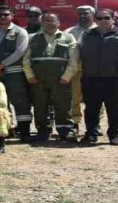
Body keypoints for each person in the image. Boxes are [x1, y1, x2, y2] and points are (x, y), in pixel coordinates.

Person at [78, 10, 118, 146]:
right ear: (95, 20)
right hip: (91, 77)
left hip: (114, 77)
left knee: (114, 108)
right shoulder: (87, 34)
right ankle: (91, 134)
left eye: (106, 17)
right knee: (91, 107)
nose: (103, 20)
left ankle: (114, 134)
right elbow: (80, 52)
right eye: (99, 18)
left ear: (113, 18)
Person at [23, 11, 80, 142]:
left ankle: (65, 131)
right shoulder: (31, 38)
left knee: (63, 105)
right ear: (41, 22)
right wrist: (30, 76)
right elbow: (26, 59)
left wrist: (67, 76)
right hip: (38, 79)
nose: (49, 23)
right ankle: (43, 131)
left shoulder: (68, 37)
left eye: (52, 20)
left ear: (58, 22)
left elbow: (74, 59)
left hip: (61, 79)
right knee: (40, 105)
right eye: (46, 20)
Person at [0, 6, 32, 140]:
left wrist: (2, 65)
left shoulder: (20, 32)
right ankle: (6, 129)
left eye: (5, 14)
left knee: (20, 101)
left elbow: (20, 51)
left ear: (12, 15)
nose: (2, 17)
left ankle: (24, 131)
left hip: (14, 71)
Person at [65, 5, 97, 127]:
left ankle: (95, 124)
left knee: (95, 99)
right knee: (74, 99)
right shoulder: (69, 32)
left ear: (93, 15)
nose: (82, 16)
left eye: (86, 13)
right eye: (80, 14)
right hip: (76, 71)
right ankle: (75, 122)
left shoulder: (99, 30)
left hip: (95, 72)